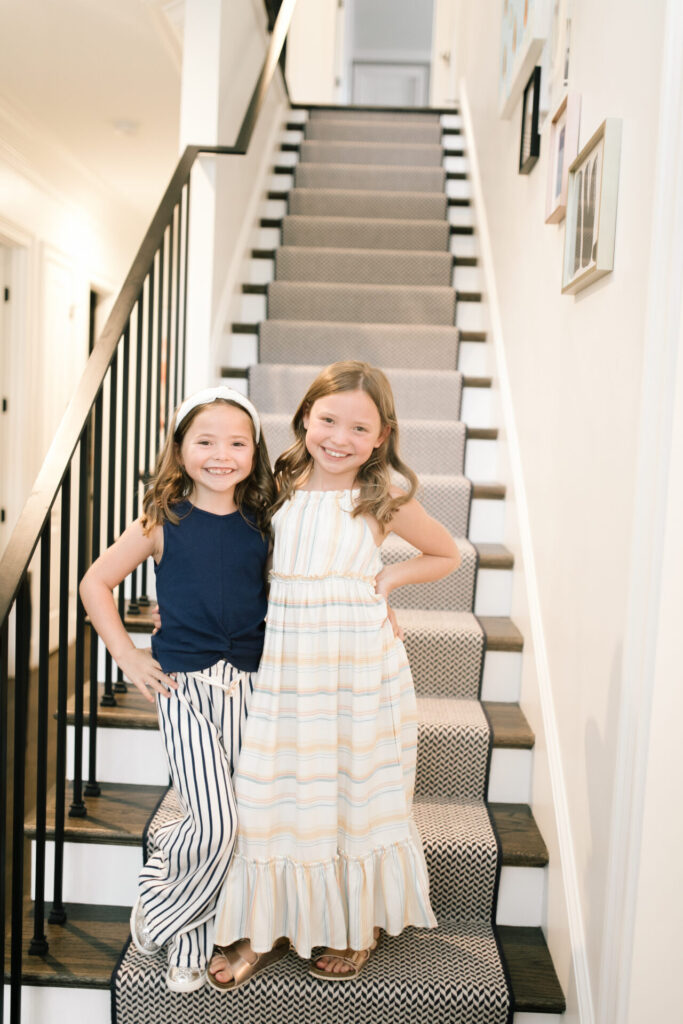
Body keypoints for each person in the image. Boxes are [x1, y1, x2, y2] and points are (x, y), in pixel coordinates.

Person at [207, 361, 461, 990]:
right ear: (304, 418)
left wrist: (383, 582)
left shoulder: (384, 494)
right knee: (274, 788)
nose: (339, 438)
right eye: (328, 420)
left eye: (359, 427)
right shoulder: (279, 481)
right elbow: (249, 559)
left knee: (352, 787)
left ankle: (357, 926)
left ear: (381, 436)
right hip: (288, 662)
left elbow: (445, 553)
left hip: (357, 667)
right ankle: (267, 925)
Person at [79, 385, 276, 993]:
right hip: (184, 688)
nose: (222, 455)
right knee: (215, 823)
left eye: (238, 442)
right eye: (206, 441)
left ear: (255, 450)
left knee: (238, 819)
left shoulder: (266, 520)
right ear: (181, 448)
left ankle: (190, 933)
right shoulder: (161, 519)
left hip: (251, 687)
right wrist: (128, 654)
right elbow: (95, 583)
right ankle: (161, 905)